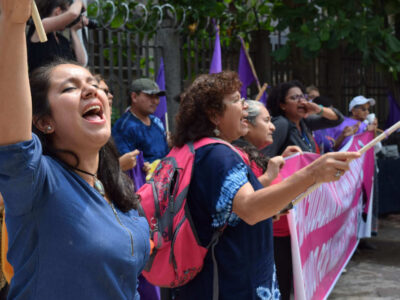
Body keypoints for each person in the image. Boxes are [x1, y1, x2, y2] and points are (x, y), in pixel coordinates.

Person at [0, 2, 150, 299]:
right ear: (44, 122)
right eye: (69, 88)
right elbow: (14, 136)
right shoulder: (37, 182)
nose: (92, 90)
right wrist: (13, 23)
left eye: (94, 84)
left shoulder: (117, 193)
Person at [171, 71, 359, 299]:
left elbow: (229, 213)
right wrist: (312, 173)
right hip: (230, 284)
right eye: (236, 101)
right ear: (214, 115)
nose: (245, 107)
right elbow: (250, 208)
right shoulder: (218, 154)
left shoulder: (200, 149)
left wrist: (272, 206)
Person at [261, 80, 344, 300]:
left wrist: (316, 108)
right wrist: (282, 159)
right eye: (294, 98)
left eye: (302, 97)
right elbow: (262, 160)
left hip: (305, 208)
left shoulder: (304, 124)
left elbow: (338, 117)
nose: (301, 101)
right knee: (285, 268)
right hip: (286, 212)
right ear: (281, 105)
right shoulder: (280, 125)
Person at [112, 78, 169, 165]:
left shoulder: (157, 122)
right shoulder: (124, 127)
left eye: (157, 97)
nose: (155, 101)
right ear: (134, 97)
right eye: (150, 96)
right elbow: (127, 160)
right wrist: (143, 165)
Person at [27, 0, 87, 72]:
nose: (70, 21)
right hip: (41, 82)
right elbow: (73, 14)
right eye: (66, 12)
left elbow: (81, 63)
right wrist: (79, 2)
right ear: (58, 11)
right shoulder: (40, 27)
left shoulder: (62, 40)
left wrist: (73, 31)